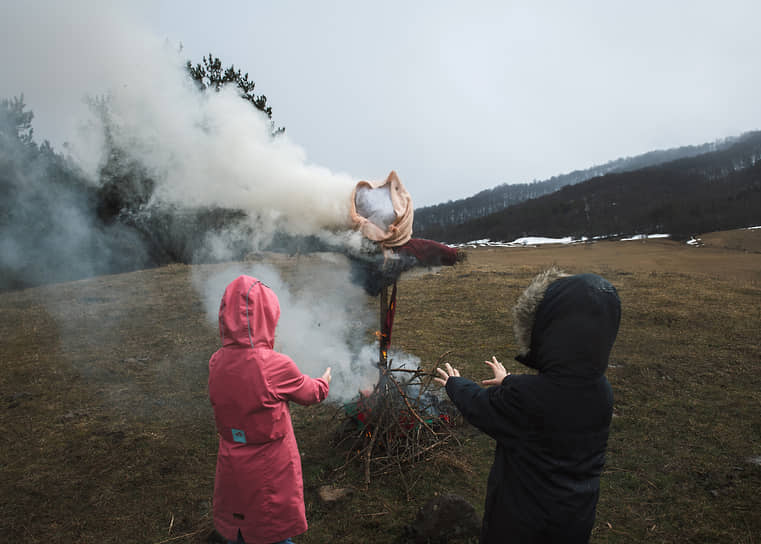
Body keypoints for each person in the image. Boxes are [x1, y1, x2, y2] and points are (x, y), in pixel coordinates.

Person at [435, 268, 621, 543]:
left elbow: (480, 405)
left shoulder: (528, 398)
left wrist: (455, 384)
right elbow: (550, 396)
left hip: (521, 525)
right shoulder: (600, 391)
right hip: (574, 520)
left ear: (551, 332)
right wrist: (509, 380)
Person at [208, 275, 332, 544]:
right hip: (269, 465)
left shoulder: (216, 361)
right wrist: (325, 380)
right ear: (268, 316)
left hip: (231, 459)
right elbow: (311, 393)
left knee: (238, 520)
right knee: (271, 527)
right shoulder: (275, 365)